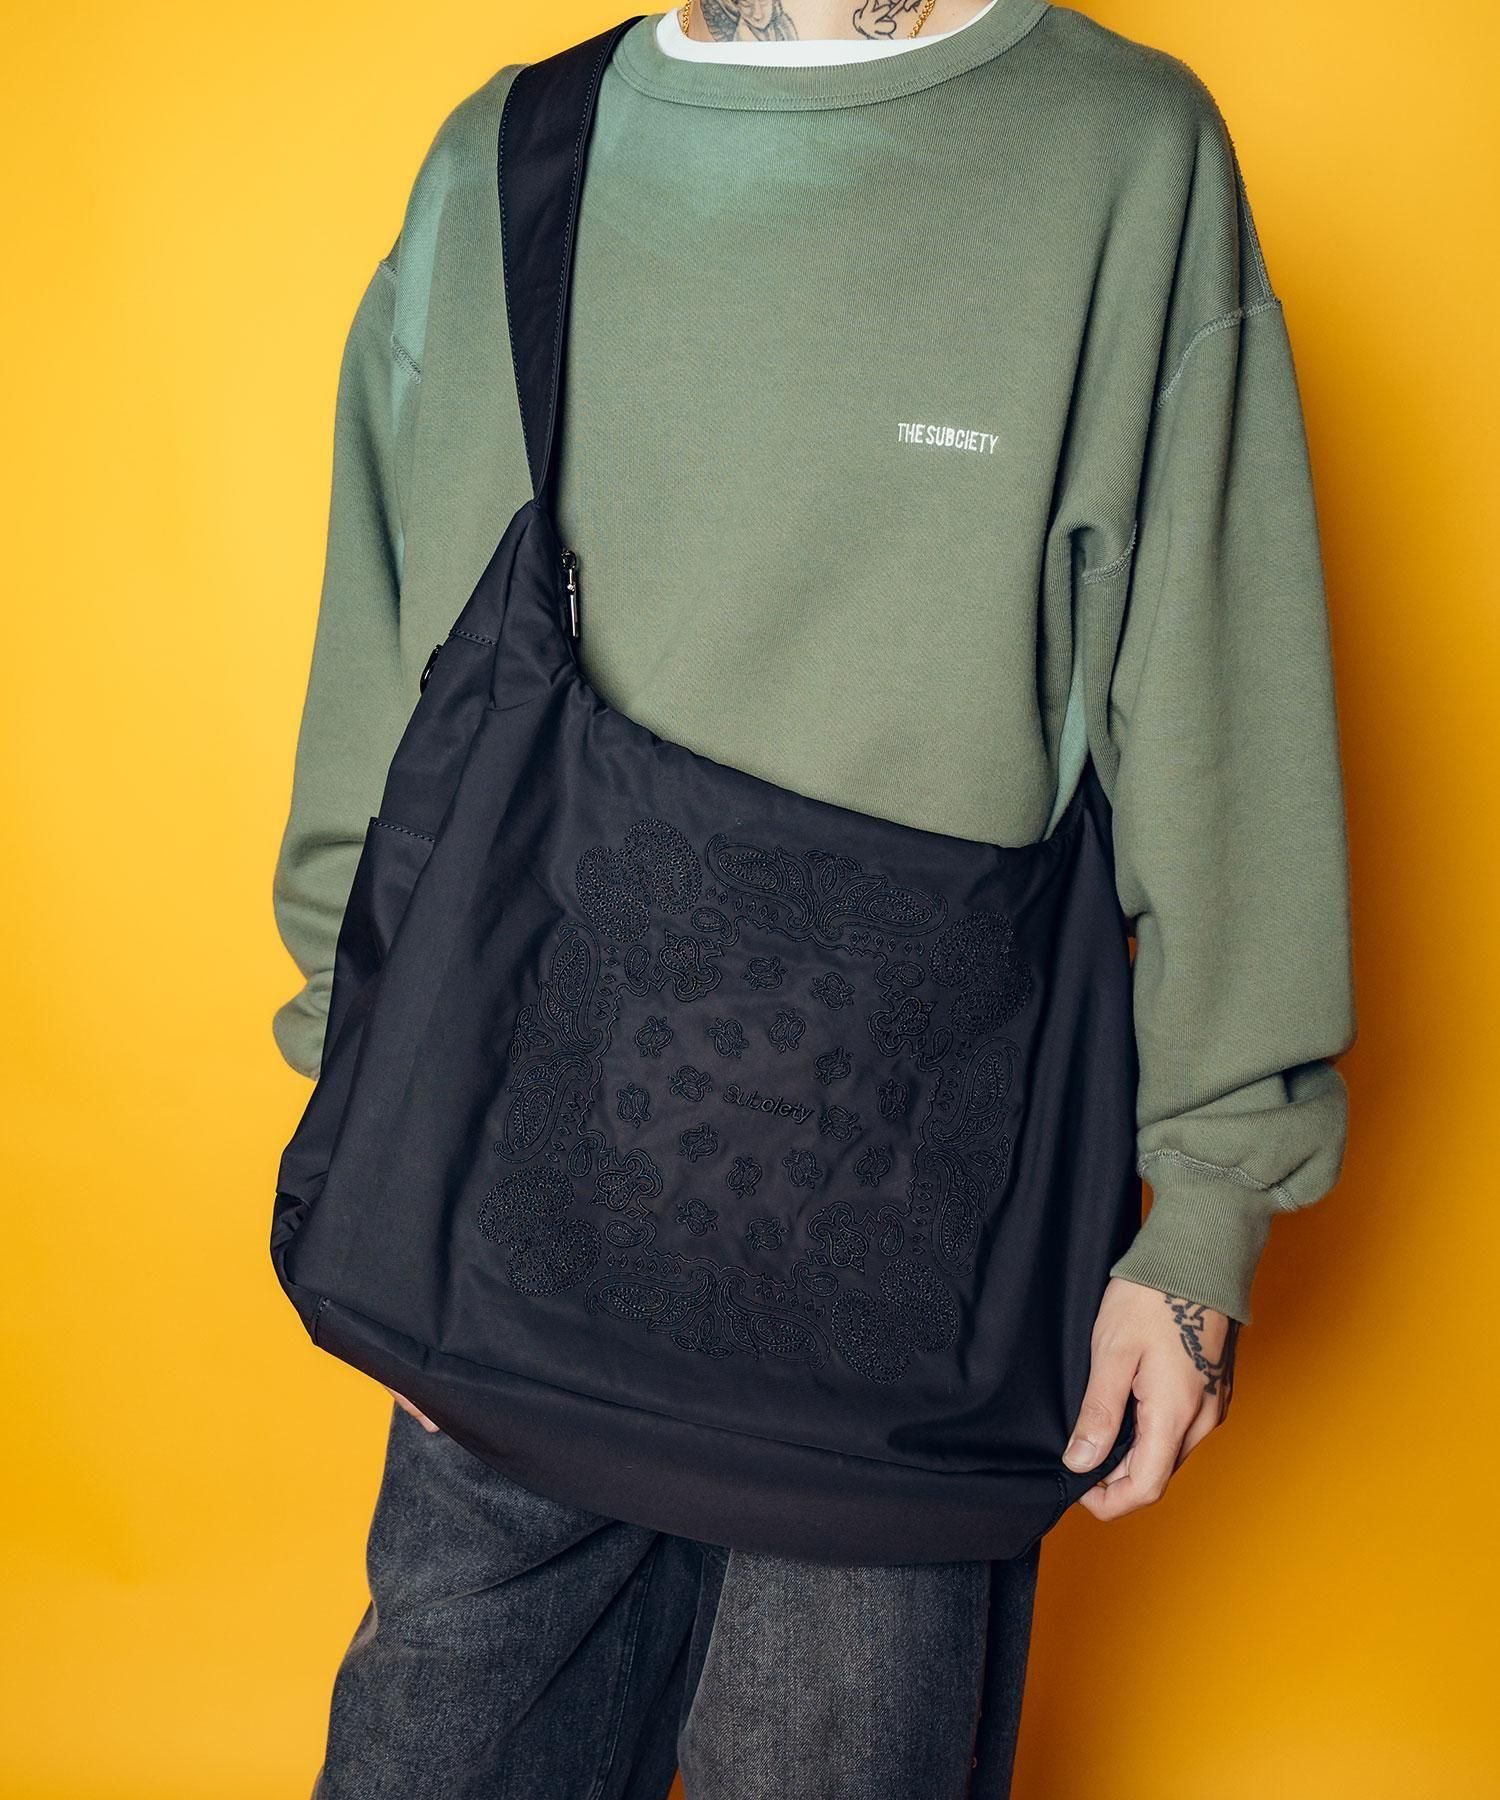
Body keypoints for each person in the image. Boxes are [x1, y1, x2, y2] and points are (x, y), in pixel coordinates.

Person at [269, 2, 1356, 1793]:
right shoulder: (509, 157)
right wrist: (367, 1137)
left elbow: (1214, 697)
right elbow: (388, 677)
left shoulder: (1116, 153)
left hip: (910, 1262)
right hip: (509, 1223)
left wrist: (1208, 1218)